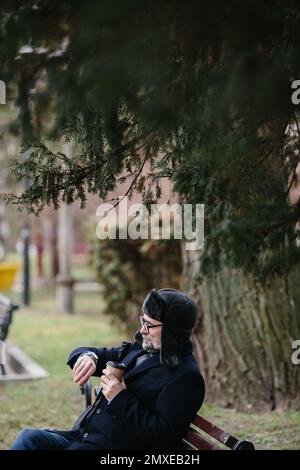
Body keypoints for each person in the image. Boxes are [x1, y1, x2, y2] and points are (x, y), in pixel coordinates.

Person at [11, 288, 205, 450]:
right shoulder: (142, 349)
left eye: (150, 325)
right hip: (81, 438)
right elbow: (94, 354)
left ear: (172, 331)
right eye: (142, 321)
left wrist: (119, 397)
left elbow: (163, 438)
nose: (142, 330)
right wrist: (88, 357)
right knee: (28, 439)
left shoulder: (185, 377)